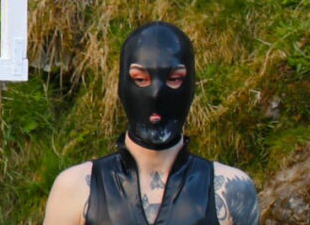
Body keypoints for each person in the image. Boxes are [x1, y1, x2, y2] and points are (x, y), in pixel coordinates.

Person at [43, 22, 258, 225]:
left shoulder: (231, 187)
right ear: (122, 84)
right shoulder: (75, 187)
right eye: (140, 79)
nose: (156, 95)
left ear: (190, 85)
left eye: (174, 79)